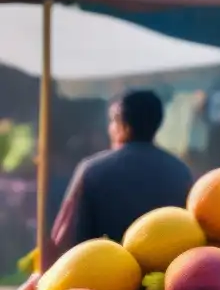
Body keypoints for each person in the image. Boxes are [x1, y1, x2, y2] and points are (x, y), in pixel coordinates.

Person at [49, 90, 193, 255]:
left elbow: (65, 238)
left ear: (121, 125)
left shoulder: (92, 170)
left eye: (112, 121)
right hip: (165, 276)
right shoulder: (180, 172)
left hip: (101, 274)